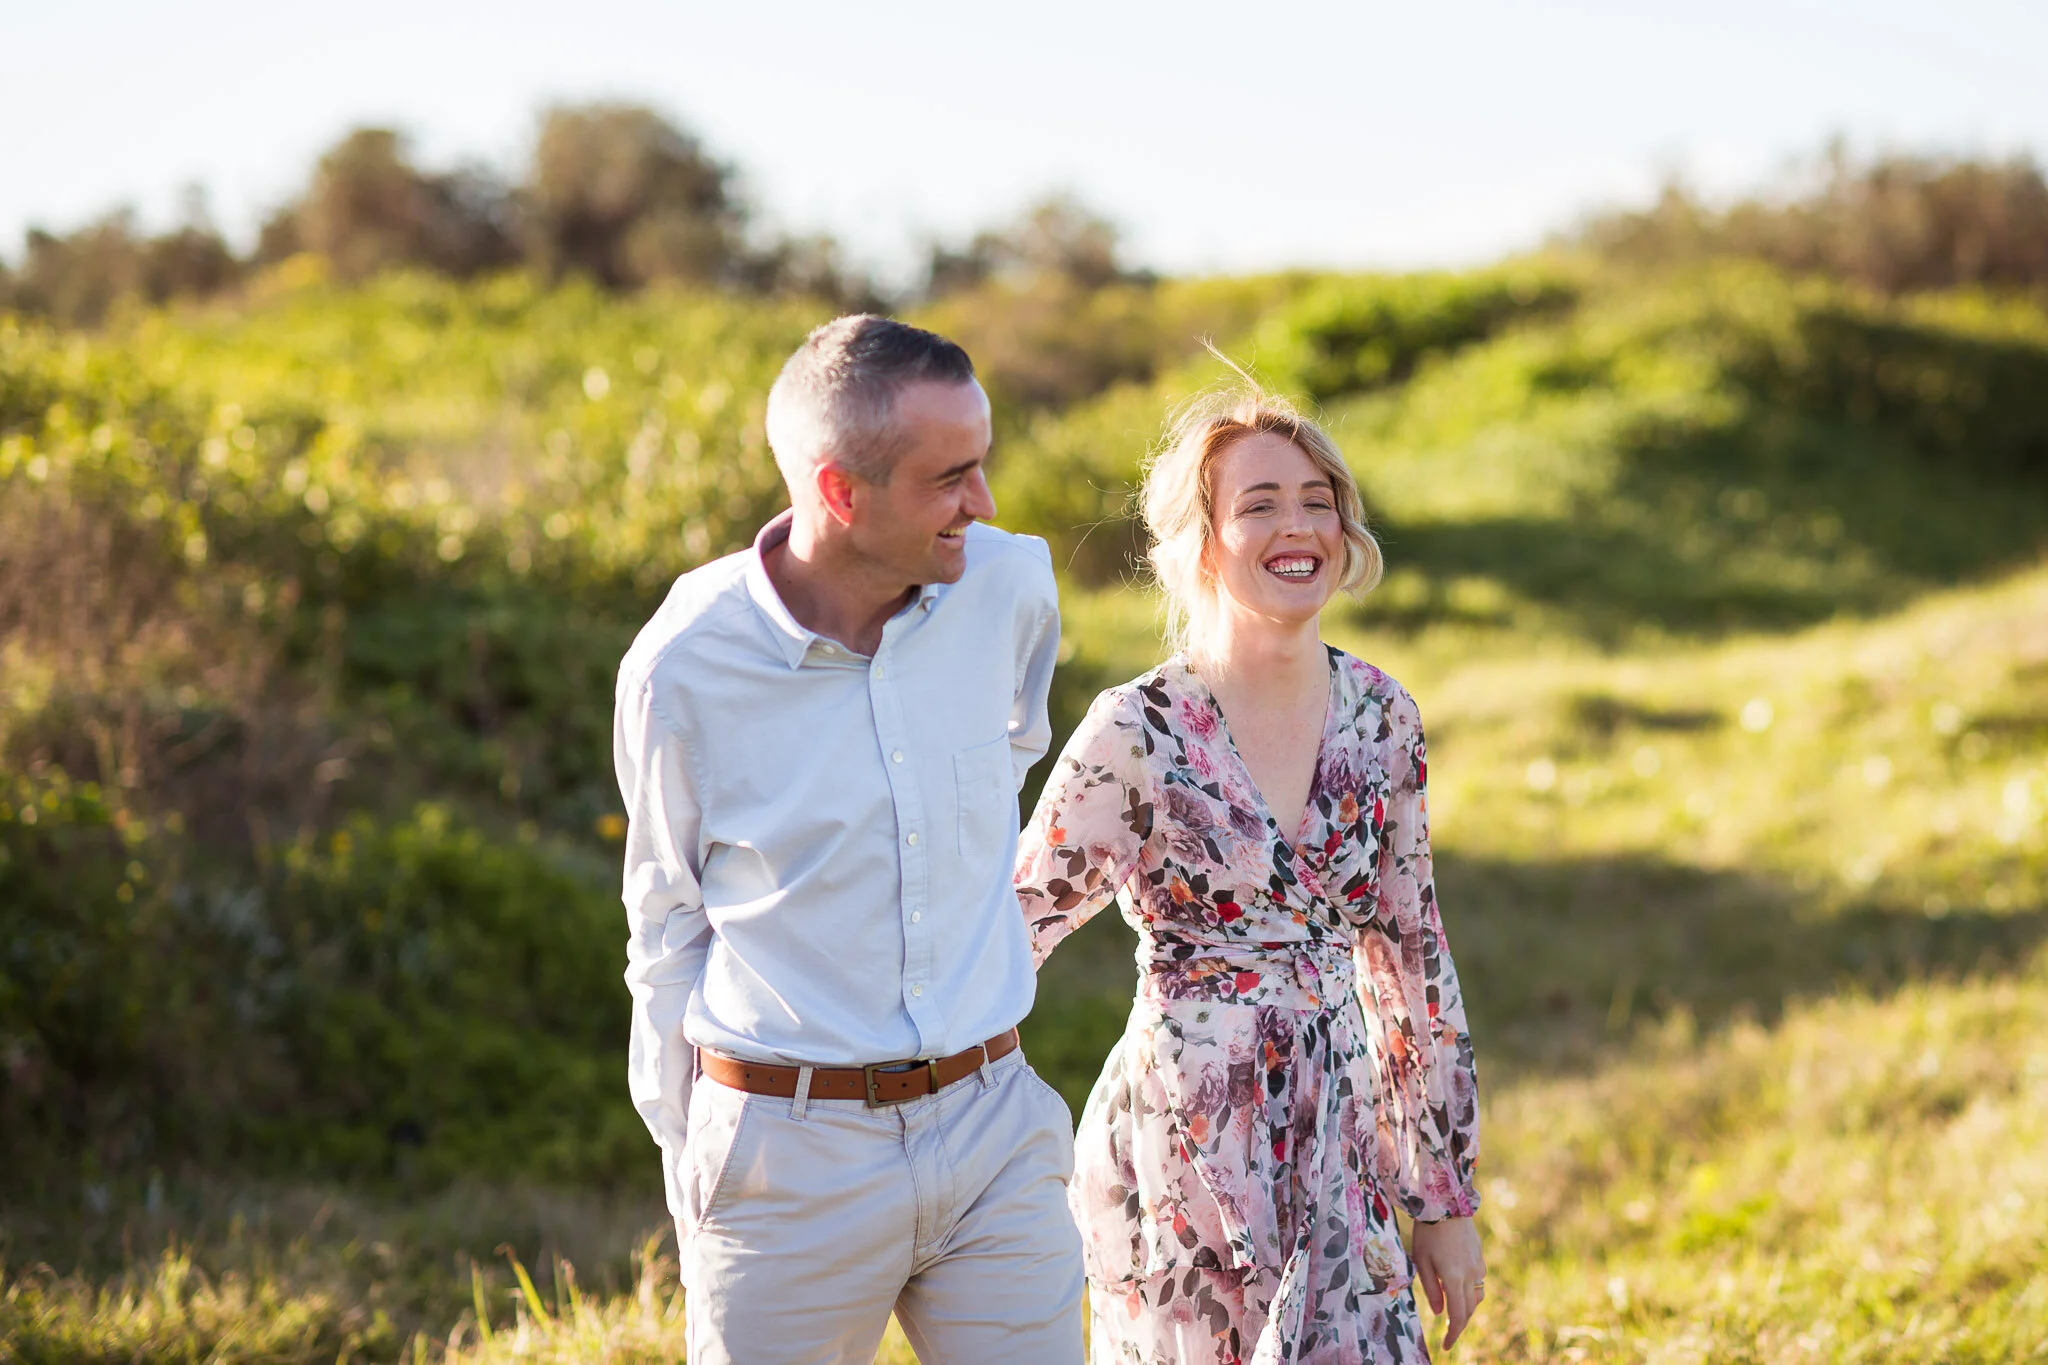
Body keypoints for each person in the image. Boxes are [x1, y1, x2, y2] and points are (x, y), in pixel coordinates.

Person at [613, 315, 1084, 1365]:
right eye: (949, 478)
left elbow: (1009, 753)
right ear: (839, 492)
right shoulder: (684, 667)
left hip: (995, 1125)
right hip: (787, 1158)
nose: (984, 503)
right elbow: (665, 922)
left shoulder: (1009, 585)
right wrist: (702, 1167)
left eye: (982, 463)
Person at [1014, 382, 1486, 1363]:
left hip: (1338, 1135)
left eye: (1318, 500)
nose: (1297, 525)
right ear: (1202, 542)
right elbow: (1011, 931)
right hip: (1181, 1144)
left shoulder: (1381, 717)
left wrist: (1441, 1198)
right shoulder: (1138, 730)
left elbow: (1409, 958)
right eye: (1259, 503)